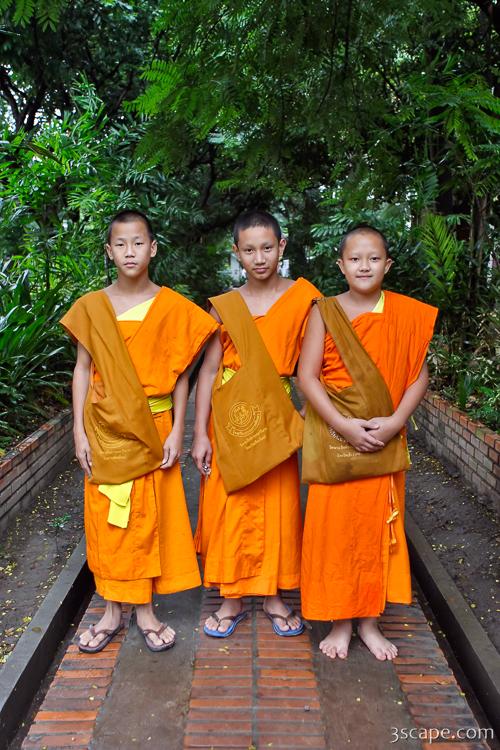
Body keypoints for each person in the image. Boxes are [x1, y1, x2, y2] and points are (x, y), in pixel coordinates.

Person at [61, 209, 218, 653]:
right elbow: (82, 369)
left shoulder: (172, 307)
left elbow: (181, 375)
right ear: (109, 251)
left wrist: (178, 431)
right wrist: (78, 432)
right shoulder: (92, 307)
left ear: (153, 248)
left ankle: (146, 611)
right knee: (109, 521)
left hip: (155, 427)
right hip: (105, 429)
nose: (130, 251)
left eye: (138, 243)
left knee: (151, 519)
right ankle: (112, 611)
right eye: (121, 244)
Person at [298, 225, 438, 660]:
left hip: (382, 438)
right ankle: (340, 621)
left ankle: (369, 622)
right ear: (341, 265)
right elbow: (307, 377)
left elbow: (418, 376)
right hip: (335, 439)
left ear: (387, 265)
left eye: (373, 258)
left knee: (378, 532)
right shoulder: (324, 312)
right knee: (335, 534)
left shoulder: (406, 314)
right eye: (355, 259)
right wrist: (343, 426)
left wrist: (396, 422)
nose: (364, 266)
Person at [191, 210, 320, 637]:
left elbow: (319, 366)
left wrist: (304, 416)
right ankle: (231, 597)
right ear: (237, 252)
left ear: (282, 246)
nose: (259, 258)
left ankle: (273, 595)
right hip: (231, 419)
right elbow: (209, 370)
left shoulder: (305, 300)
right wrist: (199, 434)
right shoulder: (224, 306)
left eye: (267, 248)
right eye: (249, 250)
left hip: (276, 416)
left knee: (276, 505)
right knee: (229, 504)